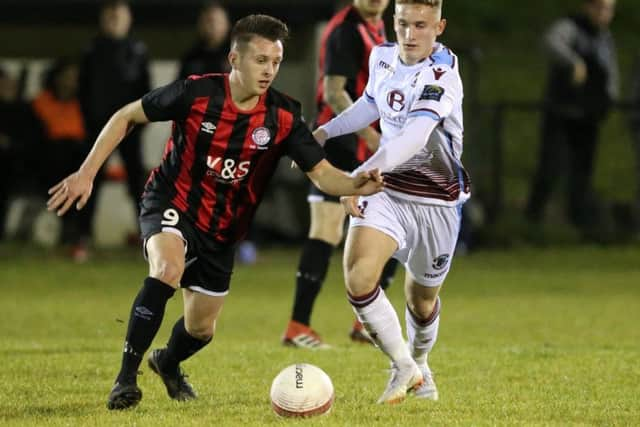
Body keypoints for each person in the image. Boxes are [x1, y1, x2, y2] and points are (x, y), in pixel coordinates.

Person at [47, 14, 383, 411]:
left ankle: (168, 362)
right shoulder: (196, 93)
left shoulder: (285, 116)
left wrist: (358, 183)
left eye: (275, 62)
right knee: (166, 270)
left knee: (201, 329)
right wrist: (87, 173)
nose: (269, 70)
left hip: (223, 228)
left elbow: (324, 175)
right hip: (171, 202)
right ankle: (125, 379)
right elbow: (126, 116)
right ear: (234, 59)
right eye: (260, 60)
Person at [313, 0, 470, 403]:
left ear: (439, 27)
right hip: (388, 192)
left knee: (422, 301)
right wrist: (325, 134)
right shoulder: (382, 56)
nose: (410, 34)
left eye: (421, 25)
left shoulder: (442, 75)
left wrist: (360, 171)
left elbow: (414, 137)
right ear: (393, 22)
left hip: (436, 203)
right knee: (358, 277)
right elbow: (370, 104)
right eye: (403, 24)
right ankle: (402, 365)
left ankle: (421, 364)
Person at [281, 0, 398, 349]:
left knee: (393, 228)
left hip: (365, 146)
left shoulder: (382, 27)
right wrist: (371, 136)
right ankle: (298, 325)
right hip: (341, 143)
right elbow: (334, 91)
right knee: (327, 229)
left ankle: (365, 323)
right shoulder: (346, 29)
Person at [525, 0, 618, 235]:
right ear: (587, 7)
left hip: (588, 116)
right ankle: (531, 223)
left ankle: (578, 227)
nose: (603, 13)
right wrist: (574, 62)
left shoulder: (605, 38)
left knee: (582, 173)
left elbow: (611, 73)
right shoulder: (571, 27)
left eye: (608, 9)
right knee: (550, 168)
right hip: (561, 112)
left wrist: (609, 98)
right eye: (599, 7)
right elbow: (550, 42)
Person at [78, 0, 151, 246]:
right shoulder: (92, 50)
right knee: (89, 177)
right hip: (97, 127)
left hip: (131, 127)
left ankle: (148, 236)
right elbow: (83, 90)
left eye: (119, 16)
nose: (114, 20)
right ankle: (82, 236)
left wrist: (142, 121)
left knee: (137, 182)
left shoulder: (138, 50)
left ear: (128, 19)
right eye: (110, 16)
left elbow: (146, 89)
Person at [32, 58, 92, 260]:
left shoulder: (82, 104)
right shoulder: (41, 103)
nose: (71, 82)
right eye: (68, 77)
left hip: (77, 163)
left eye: (75, 78)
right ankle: (67, 232)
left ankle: (78, 235)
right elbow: (37, 139)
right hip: (49, 162)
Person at [178, 1, 231, 79]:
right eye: (205, 21)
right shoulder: (191, 58)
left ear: (227, 24)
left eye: (214, 21)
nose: (210, 26)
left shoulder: (236, 55)